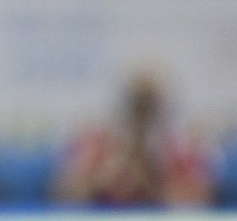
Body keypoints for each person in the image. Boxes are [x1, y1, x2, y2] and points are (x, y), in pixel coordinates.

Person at [54, 73, 214, 207]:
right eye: (137, 105)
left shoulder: (180, 149)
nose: (143, 114)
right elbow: (66, 197)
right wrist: (99, 179)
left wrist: (157, 180)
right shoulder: (97, 145)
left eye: (149, 106)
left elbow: (197, 204)